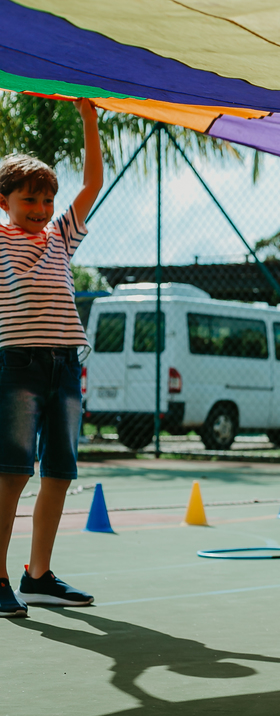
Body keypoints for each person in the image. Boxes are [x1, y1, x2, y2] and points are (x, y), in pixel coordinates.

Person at [0, 99, 103, 618]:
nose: (39, 209)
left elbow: (91, 186)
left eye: (45, 200)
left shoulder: (60, 236)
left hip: (65, 365)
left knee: (59, 471)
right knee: (13, 472)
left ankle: (37, 575)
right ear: (5, 202)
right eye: (28, 200)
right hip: (17, 364)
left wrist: (89, 119)